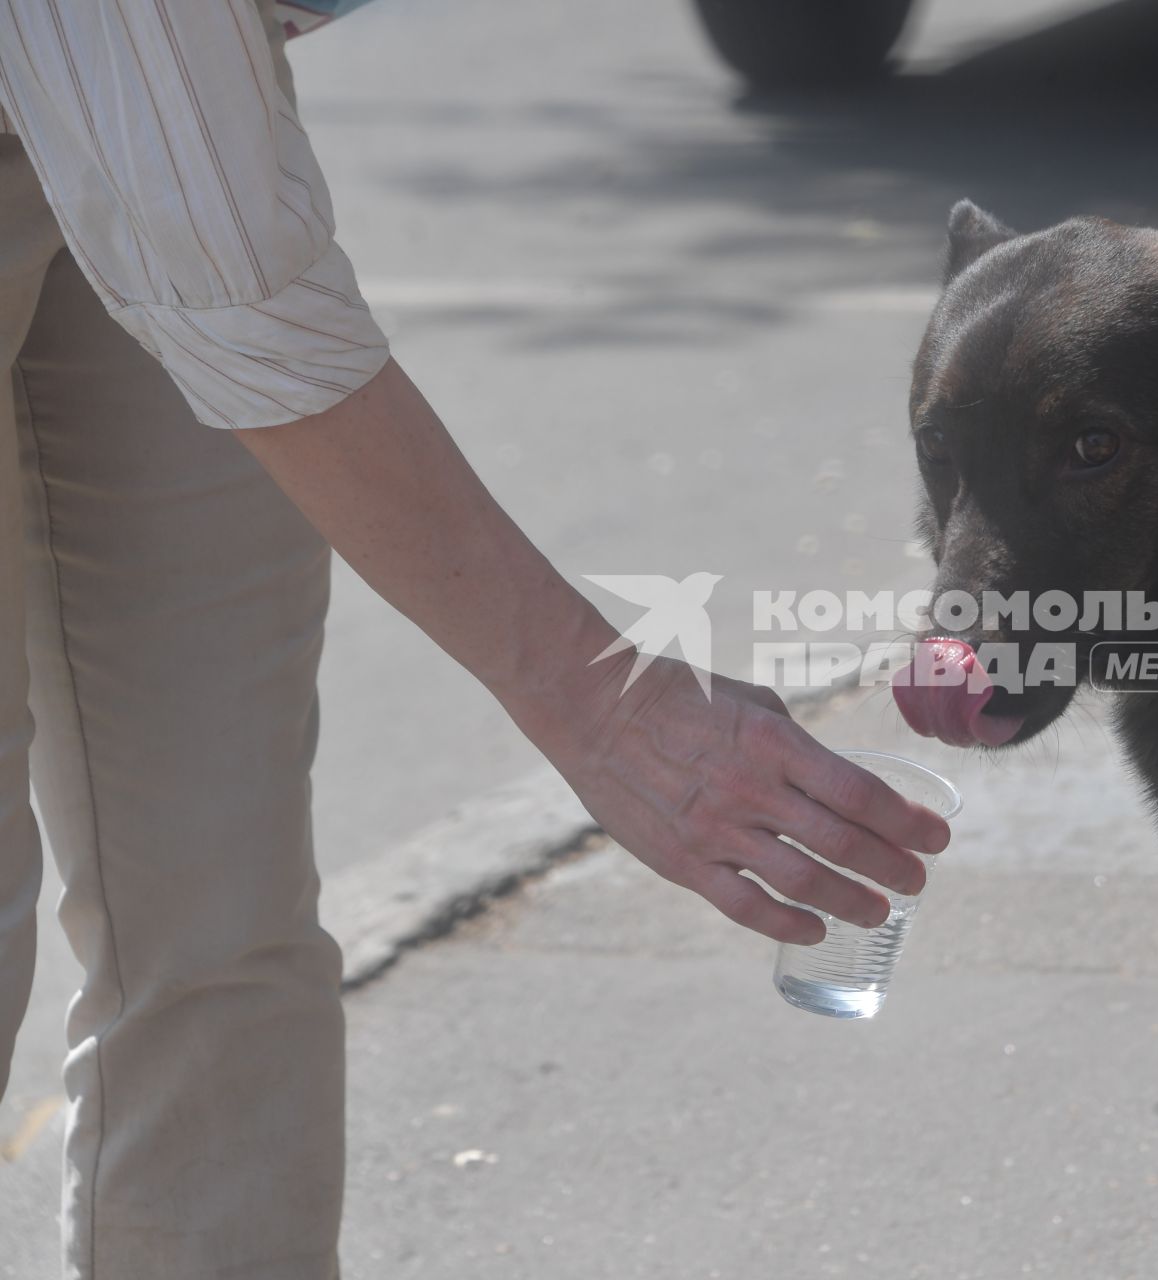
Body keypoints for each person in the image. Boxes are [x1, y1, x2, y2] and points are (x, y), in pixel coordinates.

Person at [0, 4, 950, 1276]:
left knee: (220, 912)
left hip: (131, 95)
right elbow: (237, 286)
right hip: (137, 84)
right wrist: (600, 704)